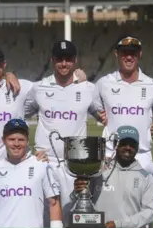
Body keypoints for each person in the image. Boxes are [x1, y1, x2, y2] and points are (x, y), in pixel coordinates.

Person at [25, 40, 104, 212]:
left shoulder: (88, 88)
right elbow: (20, 115)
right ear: (52, 60)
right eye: (59, 59)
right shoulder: (39, 88)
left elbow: (105, 117)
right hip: (44, 164)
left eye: (68, 59)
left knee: (72, 221)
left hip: (76, 166)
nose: (63, 63)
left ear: (75, 60)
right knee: (44, 221)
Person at [96, 36, 153, 169]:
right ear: (117, 54)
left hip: (142, 155)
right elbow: (88, 107)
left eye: (133, 53)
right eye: (124, 53)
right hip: (110, 155)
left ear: (140, 54)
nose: (129, 57)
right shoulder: (103, 84)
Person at [0, 119, 63, 228]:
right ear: (3, 140)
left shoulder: (41, 165)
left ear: (27, 141)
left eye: (21, 140)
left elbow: (54, 202)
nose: (16, 144)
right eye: (11, 139)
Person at [71, 125, 153, 228]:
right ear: (115, 144)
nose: (128, 148)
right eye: (123, 144)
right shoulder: (98, 170)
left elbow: (149, 213)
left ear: (137, 147)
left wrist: (118, 224)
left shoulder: (146, 178)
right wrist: (78, 191)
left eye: (132, 145)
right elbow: (81, 200)